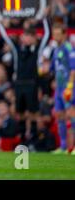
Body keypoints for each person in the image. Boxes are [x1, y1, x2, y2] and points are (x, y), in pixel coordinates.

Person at [0, 18, 50, 146]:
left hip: (32, 83)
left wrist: (45, 18)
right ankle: (21, 139)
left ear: (33, 38)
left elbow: (48, 35)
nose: (24, 39)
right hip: (19, 84)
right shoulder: (16, 49)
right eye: (24, 36)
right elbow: (3, 35)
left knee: (33, 113)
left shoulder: (37, 49)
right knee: (19, 113)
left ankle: (33, 137)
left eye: (27, 36)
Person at [49, 22, 75, 154]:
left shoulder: (69, 48)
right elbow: (53, 69)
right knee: (59, 115)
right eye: (54, 34)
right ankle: (63, 146)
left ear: (64, 34)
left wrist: (69, 87)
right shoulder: (56, 50)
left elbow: (73, 70)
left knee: (72, 115)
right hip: (59, 88)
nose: (55, 37)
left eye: (57, 34)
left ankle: (74, 147)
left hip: (68, 87)